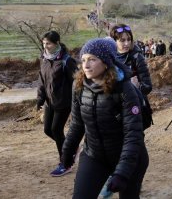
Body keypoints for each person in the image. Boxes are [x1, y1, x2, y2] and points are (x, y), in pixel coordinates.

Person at [61, 38, 149, 199]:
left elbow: (133, 134)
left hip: (129, 158)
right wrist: (67, 151)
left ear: (107, 62)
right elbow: (77, 124)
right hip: (94, 155)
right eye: (83, 60)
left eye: (92, 60)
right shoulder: (78, 86)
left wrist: (122, 173)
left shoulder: (125, 89)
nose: (86, 65)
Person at [37, 30, 78, 177]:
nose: (45, 46)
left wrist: (76, 104)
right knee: (47, 130)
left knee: (56, 130)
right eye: (44, 43)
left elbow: (77, 82)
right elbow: (42, 81)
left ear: (57, 44)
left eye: (48, 43)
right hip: (49, 102)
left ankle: (66, 162)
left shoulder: (67, 61)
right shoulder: (45, 59)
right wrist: (40, 99)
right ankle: (71, 149)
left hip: (63, 102)